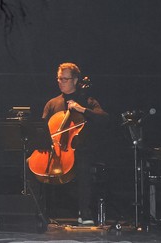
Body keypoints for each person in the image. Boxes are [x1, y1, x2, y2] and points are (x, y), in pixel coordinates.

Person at [37, 62, 108, 226]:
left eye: (65, 79)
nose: (61, 82)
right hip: (55, 150)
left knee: (83, 164)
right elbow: (42, 128)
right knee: (32, 164)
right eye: (59, 78)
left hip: (79, 150)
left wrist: (82, 109)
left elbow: (104, 118)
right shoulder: (52, 103)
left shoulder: (87, 100)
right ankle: (39, 212)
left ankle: (84, 212)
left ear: (76, 80)